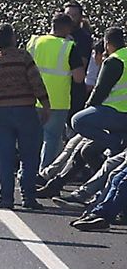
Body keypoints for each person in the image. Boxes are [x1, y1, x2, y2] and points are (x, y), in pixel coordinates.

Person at [0, 22, 49, 210]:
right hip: (25, 111)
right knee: (29, 155)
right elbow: (36, 81)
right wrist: (46, 104)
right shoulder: (23, 57)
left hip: (2, 113)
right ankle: (28, 197)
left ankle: (6, 198)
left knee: (5, 157)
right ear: (12, 38)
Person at [29, 13, 87, 167]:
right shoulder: (68, 47)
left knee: (31, 138)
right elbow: (79, 77)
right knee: (51, 139)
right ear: (67, 28)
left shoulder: (34, 42)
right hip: (57, 101)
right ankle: (43, 175)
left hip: (32, 98)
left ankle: (27, 173)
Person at [71, 26, 127, 153]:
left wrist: (88, 106)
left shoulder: (114, 60)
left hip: (116, 111)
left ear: (107, 43)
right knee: (88, 151)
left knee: (77, 121)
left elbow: (100, 89)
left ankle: (113, 142)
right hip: (121, 116)